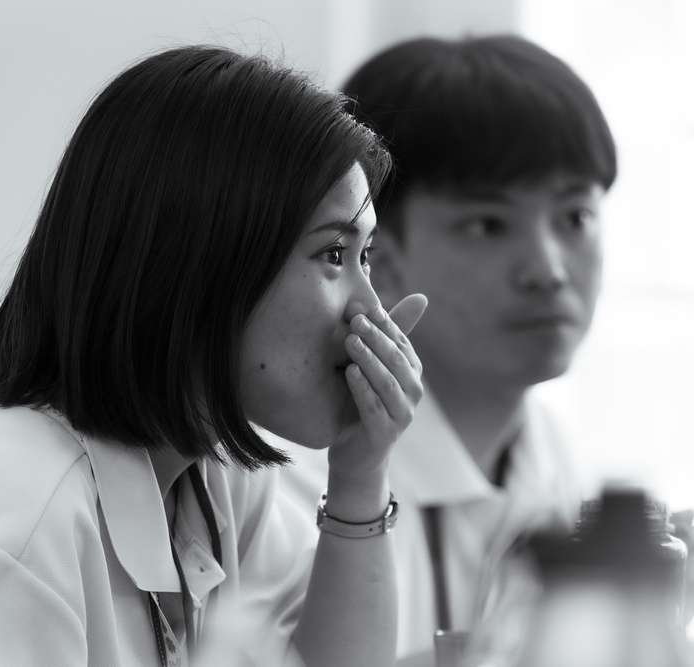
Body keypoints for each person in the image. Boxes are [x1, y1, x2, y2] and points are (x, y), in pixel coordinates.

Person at [0, 45, 428, 667]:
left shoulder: (211, 476)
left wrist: (361, 473)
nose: (370, 310)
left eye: (363, 258)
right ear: (201, 260)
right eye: (334, 255)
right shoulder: (14, 528)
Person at [275, 35, 616, 664]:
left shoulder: (547, 449)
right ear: (380, 254)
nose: (548, 270)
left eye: (575, 218)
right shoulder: (296, 480)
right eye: (488, 224)